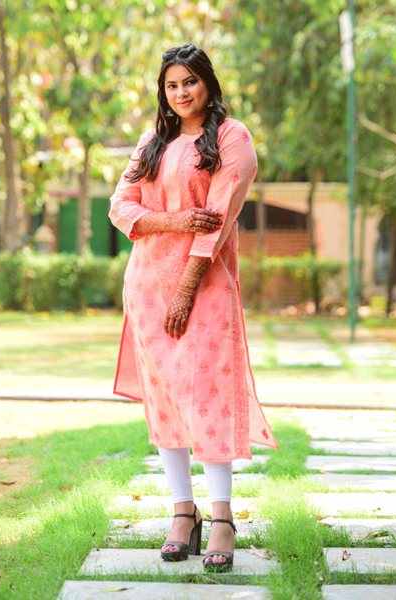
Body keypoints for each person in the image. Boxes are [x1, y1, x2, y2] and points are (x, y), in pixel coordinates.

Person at [109, 43, 278, 572]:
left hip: (204, 287)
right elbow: (120, 207)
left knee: (207, 396)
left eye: (190, 82)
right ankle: (183, 512)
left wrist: (186, 288)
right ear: (163, 92)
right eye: (171, 85)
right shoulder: (152, 142)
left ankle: (222, 517)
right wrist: (176, 220)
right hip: (146, 288)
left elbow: (218, 219)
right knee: (165, 403)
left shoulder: (231, 138)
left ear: (208, 83)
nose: (181, 93)